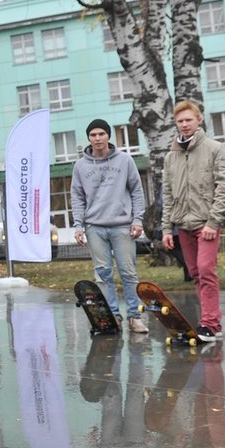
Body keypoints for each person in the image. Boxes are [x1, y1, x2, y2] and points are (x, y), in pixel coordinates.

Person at [161, 101, 225, 342]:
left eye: (188, 120)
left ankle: (210, 324)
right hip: (183, 225)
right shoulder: (171, 157)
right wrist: (166, 228)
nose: (184, 125)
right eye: (180, 121)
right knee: (195, 273)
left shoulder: (215, 149)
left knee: (206, 270)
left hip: (207, 224)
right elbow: (168, 195)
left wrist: (213, 223)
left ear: (199, 120)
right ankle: (211, 321)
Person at [70, 118, 148, 333]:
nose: (97, 138)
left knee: (128, 273)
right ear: (88, 138)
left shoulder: (124, 160)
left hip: (122, 226)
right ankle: (113, 315)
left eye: (101, 134)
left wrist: (137, 219)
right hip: (94, 227)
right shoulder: (80, 165)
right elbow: (77, 197)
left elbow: (137, 191)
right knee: (102, 274)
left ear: (108, 136)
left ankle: (135, 316)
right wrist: (78, 226)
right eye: (93, 135)